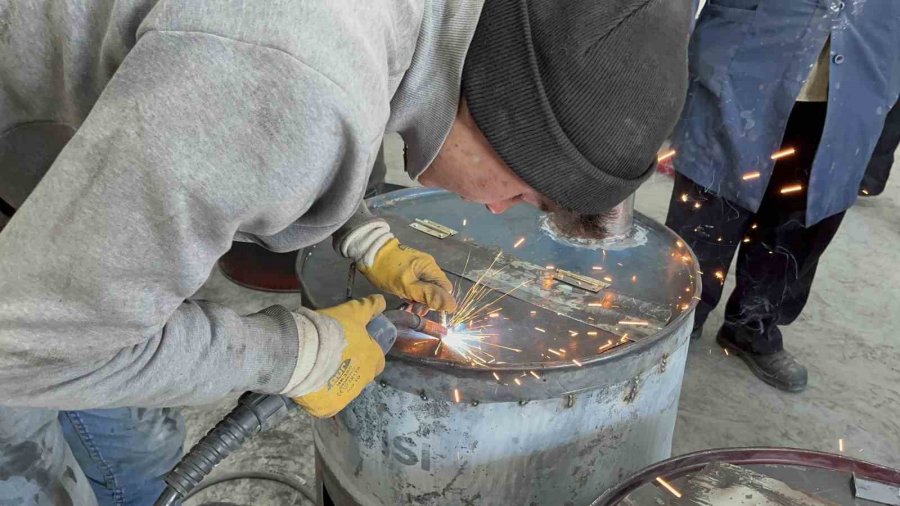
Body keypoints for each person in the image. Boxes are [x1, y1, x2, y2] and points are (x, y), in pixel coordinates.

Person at [0, 0, 692, 503]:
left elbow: (268, 126)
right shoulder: (289, 75)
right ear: (507, 119)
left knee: (136, 444)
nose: (496, 211)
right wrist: (294, 355)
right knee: (29, 472)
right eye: (521, 194)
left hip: (56, 166)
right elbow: (25, 348)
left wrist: (362, 235)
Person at [666, 0, 900, 392]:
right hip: (750, 55)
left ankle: (754, 322)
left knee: (802, 211)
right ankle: (676, 319)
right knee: (710, 200)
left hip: (861, 71)